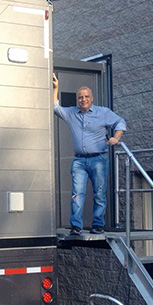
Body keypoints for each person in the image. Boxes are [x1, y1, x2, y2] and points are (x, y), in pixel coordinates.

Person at [52, 73, 126, 236]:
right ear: (77, 100)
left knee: (99, 193)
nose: (83, 99)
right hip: (79, 161)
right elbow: (55, 107)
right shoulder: (71, 113)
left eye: (86, 97)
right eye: (80, 97)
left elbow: (120, 122)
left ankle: (98, 225)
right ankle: (76, 226)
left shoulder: (103, 112)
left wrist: (116, 137)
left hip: (99, 159)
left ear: (91, 98)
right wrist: (56, 88)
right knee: (77, 193)